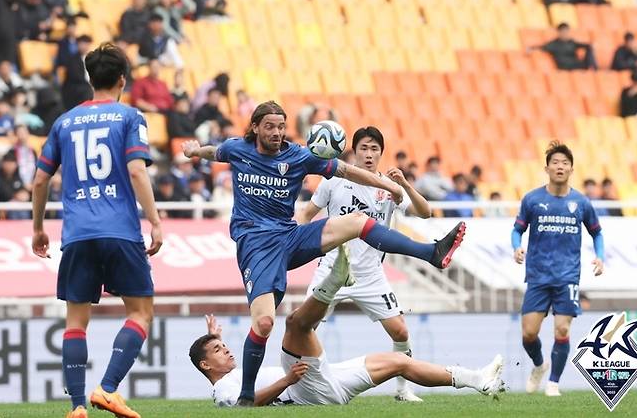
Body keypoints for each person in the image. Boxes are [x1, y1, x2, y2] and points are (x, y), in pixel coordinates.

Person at [181, 101, 466, 406]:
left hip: (289, 236)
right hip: (256, 245)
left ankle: (431, 252)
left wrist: (389, 185)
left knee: (358, 222)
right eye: (269, 127)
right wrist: (195, 151)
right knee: (264, 324)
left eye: (280, 127)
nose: (277, 133)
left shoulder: (298, 156)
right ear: (254, 128)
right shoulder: (238, 149)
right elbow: (215, 153)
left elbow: (345, 170)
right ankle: (248, 396)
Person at [189, 247, 506, 407]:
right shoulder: (222, 391)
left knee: (399, 362)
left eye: (222, 344)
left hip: (327, 382)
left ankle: (477, 379)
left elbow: (224, 362)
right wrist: (287, 380)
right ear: (205, 365)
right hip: (304, 389)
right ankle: (333, 282)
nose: (226, 348)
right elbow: (249, 404)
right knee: (297, 325)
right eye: (218, 350)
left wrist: (214, 338)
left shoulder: (231, 373)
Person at [31, 42, 163, 418]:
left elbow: (40, 181)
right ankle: (106, 389)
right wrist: (154, 220)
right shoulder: (129, 117)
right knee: (140, 313)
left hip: (77, 234)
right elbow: (137, 170)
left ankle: (76, 407)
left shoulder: (64, 122)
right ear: (122, 79)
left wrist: (38, 228)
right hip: (120, 230)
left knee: (76, 321)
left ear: (91, 79)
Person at [298, 126, 431, 402]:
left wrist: (404, 185)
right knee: (303, 327)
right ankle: (294, 386)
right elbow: (306, 215)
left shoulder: (388, 188)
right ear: (353, 151)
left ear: (381, 153)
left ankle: (403, 389)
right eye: (364, 148)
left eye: (374, 149)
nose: (369, 154)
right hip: (333, 269)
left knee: (400, 330)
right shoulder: (333, 181)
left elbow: (425, 212)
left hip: (371, 275)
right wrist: (296, 246)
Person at [512, 141, 604, 397]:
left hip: (567, 277)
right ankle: (540, 366)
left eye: (565, 163)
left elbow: (597, 233)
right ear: (547, 168)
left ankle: (553, 383)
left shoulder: (581, 202)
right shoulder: (532, 199)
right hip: (538, 276)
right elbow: (517, 229)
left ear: (571, 169)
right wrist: (517, 247)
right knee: (529, 334)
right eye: (555, 162)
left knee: (562, 329)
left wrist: (600, 257)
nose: (560, 166)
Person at [532, 23, 597, 70]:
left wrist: (591, 45)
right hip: (565, 66)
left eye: (567, 31)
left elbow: (584, 45)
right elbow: (542, 47)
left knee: (589, 48)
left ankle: (595, 70)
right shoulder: (554, 44)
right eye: (563, 31)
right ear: (559, 32)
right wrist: (531, 49)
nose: (565, 33)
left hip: (576, 64)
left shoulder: (571, 42)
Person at [60, 34, 94, 110]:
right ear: (78, 44)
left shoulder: (91, 58)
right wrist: (90, 85)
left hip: (88, 85)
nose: (84, 46)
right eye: (82, 44)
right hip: (75, 86)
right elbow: (75, 76)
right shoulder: (72, 59)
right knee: (87, 91)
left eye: (87, 44)